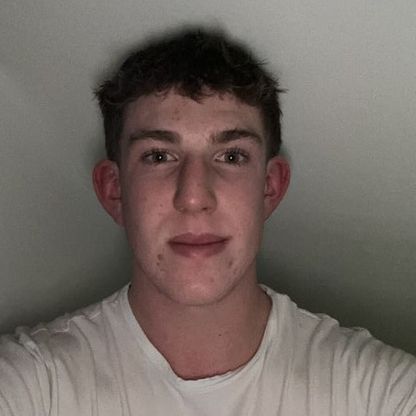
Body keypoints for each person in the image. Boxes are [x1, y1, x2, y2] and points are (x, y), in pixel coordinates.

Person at [0, 27, 415, 416]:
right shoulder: (33, 385)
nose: (194, 197)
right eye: (158, 156)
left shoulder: (380, 394)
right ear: (115, 191)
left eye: (231, 156)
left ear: (269, 188)